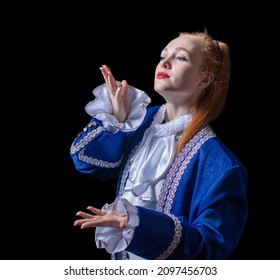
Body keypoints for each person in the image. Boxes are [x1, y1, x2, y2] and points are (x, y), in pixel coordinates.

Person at [71, 30, 248, 260]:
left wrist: (136, 224)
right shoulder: (138, 125)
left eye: (180, 57)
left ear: (205, 79)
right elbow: (88, 164)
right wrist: (117, 121)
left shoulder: (221, 166)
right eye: (163, 55)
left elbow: (210, 248)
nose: (165, 62)